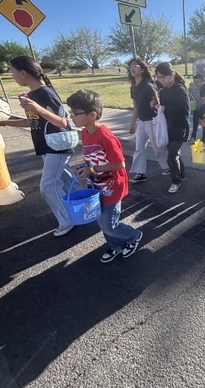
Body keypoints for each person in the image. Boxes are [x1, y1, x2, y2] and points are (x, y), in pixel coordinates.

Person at [0, 56, 75, 236]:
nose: (12, 75)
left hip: (56, 146)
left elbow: (62, 122)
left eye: (13, 71)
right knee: (67, 180)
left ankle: (66, 220)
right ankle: (85, 207)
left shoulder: (45, 93)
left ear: (23, 73)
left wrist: (38, 108)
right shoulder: (32, 95)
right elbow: (32, 122)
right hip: (46, 145)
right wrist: (5, 123)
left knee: (47, 186)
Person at [65, 89, 143, 263]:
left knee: (109, 223)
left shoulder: (106, 137)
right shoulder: (85, 132)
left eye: (75, 113)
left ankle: (133, 235)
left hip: (112, 187)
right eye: (70, 112)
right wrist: (85, 166)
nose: (71, 116)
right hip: (96, 186)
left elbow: (119, 164)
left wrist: (91, 171)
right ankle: (116, 245)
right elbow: (93, 159)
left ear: (92, 115)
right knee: (102, 222)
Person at [127, 58, 168, 182]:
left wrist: (154, 102)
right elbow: (136, 108)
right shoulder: (133, 88)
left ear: (143, 69)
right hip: (141, 121)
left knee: (157, 146)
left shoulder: (148, 86)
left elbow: (158, 103)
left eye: (135, 66)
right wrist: (132, 124)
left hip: (152, 120)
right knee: (139, 147)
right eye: (130, 67)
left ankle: (167, 167)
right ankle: (140, 173)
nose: (132, 68)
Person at [154, 63, 190, 194]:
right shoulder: (163, 91)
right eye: (158, 77)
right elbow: (163, 107)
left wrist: (165, 108)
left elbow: (186, 110)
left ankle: (176, 181)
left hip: (180, 128)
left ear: (172, 74)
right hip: (167, 127)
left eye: (163, 77)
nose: (161, 80)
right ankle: (182, 174)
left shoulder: (180, 89)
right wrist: (156, 105)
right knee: (174, 154)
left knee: (171, 156)